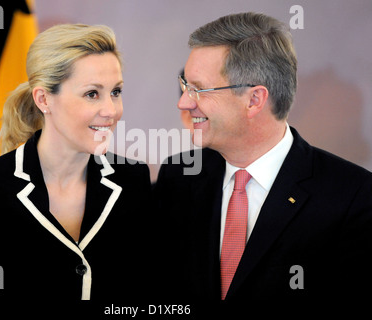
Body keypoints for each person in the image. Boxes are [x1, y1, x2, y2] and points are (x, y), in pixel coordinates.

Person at [155, 12, 372, 301]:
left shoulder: (353, 196)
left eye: (199, 90)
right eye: (185, 86)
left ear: (254, 99)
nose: (183, 102)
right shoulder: (178, 177)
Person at [0, 24, 152, 300]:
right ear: (44, 99)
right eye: (92, 93)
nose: (111, 111)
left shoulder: (133, 180)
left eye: (116, 92)